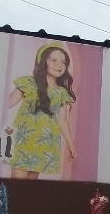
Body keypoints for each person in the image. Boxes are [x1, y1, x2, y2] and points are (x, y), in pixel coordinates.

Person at [7, 42, 77, 179]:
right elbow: (5, 105)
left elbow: (63, 120)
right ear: (43, 62)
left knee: (30, 188)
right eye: (54, 60)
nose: (59, 65)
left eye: (63, 62)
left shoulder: (62, 93)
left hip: (45, 143)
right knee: (16, 186)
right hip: (25, 141)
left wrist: (71, 145)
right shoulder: (28, 83)